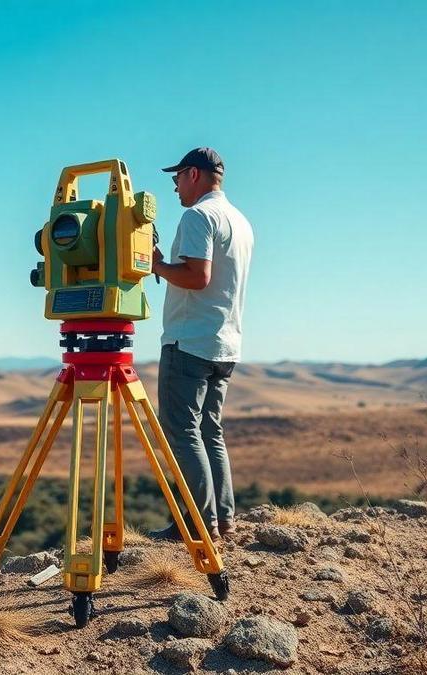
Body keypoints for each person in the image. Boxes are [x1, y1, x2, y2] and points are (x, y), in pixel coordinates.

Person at [148, 147, 253, 541]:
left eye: (176, 178)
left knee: (183, 432)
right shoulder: (239, 220)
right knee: (210, 431)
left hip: (189, 340)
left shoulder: (198, 216)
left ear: (193, 174)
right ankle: (221, 520)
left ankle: (196, 524)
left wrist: (155, 264)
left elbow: (197, 277)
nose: (174, 186)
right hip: (225, 342)